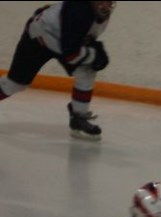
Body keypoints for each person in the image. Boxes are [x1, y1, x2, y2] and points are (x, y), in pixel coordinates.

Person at [0, 1, 115, 141]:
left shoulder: (96, 11)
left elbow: (76, 43)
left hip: (61, 41)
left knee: (86, 72)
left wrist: (91, 55)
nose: (105, 5)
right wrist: (94, 55)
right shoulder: (78, 10)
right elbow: (71, 54)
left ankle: (78, 118)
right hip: (39, 38)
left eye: (109, 1)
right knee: (15, 84)